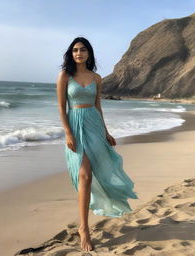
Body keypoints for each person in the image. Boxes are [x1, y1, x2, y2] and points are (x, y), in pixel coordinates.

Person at [56, 37, 138, 252]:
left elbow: (98, 107)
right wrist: (67, 133)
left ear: (89, 53)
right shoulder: (65, 75)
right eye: (75, 50)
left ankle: (88, 220)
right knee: (84, 174)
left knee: (99, 172)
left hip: (93, 125)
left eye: (82, 50)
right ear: (71, 53)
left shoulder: (96, 78)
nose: (78, 53)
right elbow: (61, 108)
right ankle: (84, 228)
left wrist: (106, 132)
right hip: (75, 126)